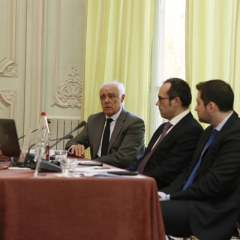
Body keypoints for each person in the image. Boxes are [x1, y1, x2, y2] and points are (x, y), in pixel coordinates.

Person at [159, 79, 240, 240]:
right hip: (192, 200)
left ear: (211, 107)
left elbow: (213, 184)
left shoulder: (236, 134)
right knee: (145, 206)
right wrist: (164, 193)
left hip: (212, 210)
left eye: (198, 103)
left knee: (150, 211)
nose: (195, 108)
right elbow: (188, 171)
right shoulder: (209, 131)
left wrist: (171, 197)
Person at [127, 78, 203, 189]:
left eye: (160, 98)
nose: (157, 103)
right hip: (139, 182)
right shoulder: (164, 127)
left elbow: (168, 171)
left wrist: (134, 179)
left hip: (155, 189)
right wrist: (123, 174)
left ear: (176, 101)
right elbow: (145, 158)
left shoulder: (191, 130)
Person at [65, 81, 145, 168]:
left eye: (111, 96)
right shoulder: (94, 120)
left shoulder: (134, 123)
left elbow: (123, 158)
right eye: (102, 97)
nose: (106, 101)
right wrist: (74, 147)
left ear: (122, 98)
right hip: (94, 171)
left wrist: (90, 163)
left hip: (120, 174)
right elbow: (72, 142)